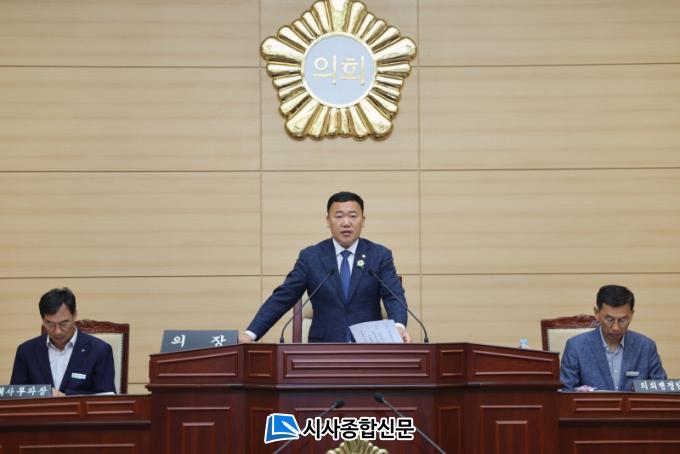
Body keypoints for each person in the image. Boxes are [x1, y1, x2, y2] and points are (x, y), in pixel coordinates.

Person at [239, 191, 410, 343]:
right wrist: (250, 334)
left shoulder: (379, 255)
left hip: (368, 350)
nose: (346, 222)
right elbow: (283, 297)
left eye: (353, 216)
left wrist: (399, 327)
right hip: (323, 352)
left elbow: (393, 295)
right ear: (328, 221)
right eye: (339, 216)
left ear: (363, 220)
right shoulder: (311, 257)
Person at [10, 287, 116, 396]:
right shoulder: (26, 351)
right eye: (50, 324)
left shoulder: (99, 351)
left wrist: (64, 397)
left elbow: (105, 398)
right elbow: (15, 396)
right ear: (43, 320)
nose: (57, 331)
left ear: (74, 315)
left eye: (63, 324)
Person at [560, 284, 666, 391]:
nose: (616, 328)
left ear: (632, 314)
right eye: (609, 319)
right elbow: (566, 391)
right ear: (596, 313)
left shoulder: (646, 347)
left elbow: (661, 390)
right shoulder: (576, 347)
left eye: (623, 320)